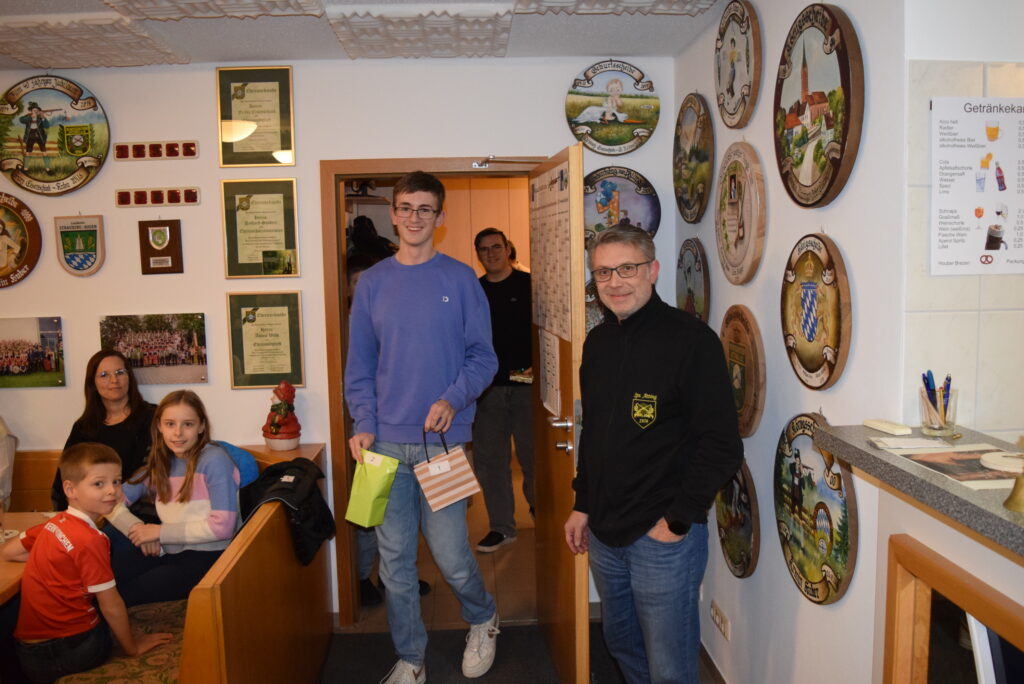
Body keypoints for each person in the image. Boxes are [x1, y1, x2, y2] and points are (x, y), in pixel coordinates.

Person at [564, 226, 743, 684]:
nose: (615, 282)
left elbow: (722, 443)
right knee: (620, 641)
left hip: (662, 537)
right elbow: (595, 434)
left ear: (653, 270)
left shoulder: (692, 342)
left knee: (669, 666)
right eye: (603, 272)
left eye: (627, 268)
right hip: (605, 533)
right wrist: (583, 503)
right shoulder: (598, 344)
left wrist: (677, 519)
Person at [345, 170, 500, 683]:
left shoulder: (460, 280)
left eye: (425, 209)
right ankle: (411, 658)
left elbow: (484, 358)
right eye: (406, 208)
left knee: (452, 556)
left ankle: (483, 617)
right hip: (383, 448)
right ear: (393, 214)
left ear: (440, 217)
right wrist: (363, 422)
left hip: (443, 446)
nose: (415, 217)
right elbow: (360, 366)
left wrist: (453, 399)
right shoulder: (372, 284)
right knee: (395, 566)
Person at [2, 443, 171, 682]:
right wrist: (133, 647)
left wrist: (61, 558)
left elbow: (9, 551)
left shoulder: (53, 523)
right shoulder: (91, 540)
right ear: (70, 489)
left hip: (29, 653)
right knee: (109, 617)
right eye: (99, 484)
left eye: (116, 481)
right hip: (70, 650)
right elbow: (110, 604)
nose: (112, 490)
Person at [346, 253, 431, 607]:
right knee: (370, 515)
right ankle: (362, 577)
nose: (362, 286)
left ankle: (392, 576)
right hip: (369, 432)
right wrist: (364, 422)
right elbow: (356, 375)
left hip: (417, 434)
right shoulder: (350, 323)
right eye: (355, 281)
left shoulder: (396, 316)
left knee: (410, 521)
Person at [106, 390, 240, 607]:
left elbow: (223, 527)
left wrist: (159, 532)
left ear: (201, 426)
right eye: (170, 424)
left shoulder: (214, 460)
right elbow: (110, 502)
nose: (178, 433)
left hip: (211, 557)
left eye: (188, 424)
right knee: (106, 580)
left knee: (121, 595)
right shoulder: (161, 462)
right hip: (170, 550)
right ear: (159, 426)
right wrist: (140, 530)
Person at [471, 227, 535, 552]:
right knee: (491, 462)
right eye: (484, 250)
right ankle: (501, 527)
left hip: (525, 383)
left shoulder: (530, 285)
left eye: (496, 247)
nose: (491, 253)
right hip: (487, 388)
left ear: (508, 249)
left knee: (532, 458)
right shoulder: (475, 291)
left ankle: (542, 513)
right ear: (478, 256)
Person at [51, 350, 157, 521]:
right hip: (92, 516)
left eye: (120, 372)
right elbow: (65, 477)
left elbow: (154, 471)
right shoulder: (83, 427)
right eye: (104, 375)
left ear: (129, 377)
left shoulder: (154, 418)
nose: (114, 380)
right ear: (92, 383)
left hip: (141, 514)